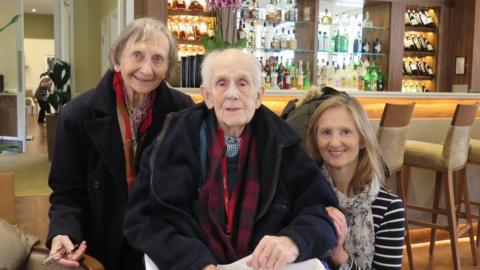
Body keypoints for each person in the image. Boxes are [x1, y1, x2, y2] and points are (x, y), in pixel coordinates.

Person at [124, 49, 338, 270]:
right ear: (207, 96)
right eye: (222, 84)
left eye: (243, 83)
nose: (233, 94)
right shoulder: (172, 140)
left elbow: (321, 211)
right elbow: (141, 219)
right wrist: (194, 262)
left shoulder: (283, 144)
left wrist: (293, 241)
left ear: (258, 96)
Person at [46, 18, 194, 270]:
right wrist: (64, 233)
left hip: (162, 245)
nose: (147, 69)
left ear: (167, 66)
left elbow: (191, 187)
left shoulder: (183, 111)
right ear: (116, 59)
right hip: (101, 245)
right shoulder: (77, 115)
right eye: (137, 55)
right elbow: (67, 194)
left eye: (157, 59)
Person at [305, 88, 405, 270]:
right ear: (315, 140)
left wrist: (340, 256)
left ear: (362, 140)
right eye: (326, 132)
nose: (334, 142)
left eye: (345, 132)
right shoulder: (306, 195)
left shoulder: (389, 208)